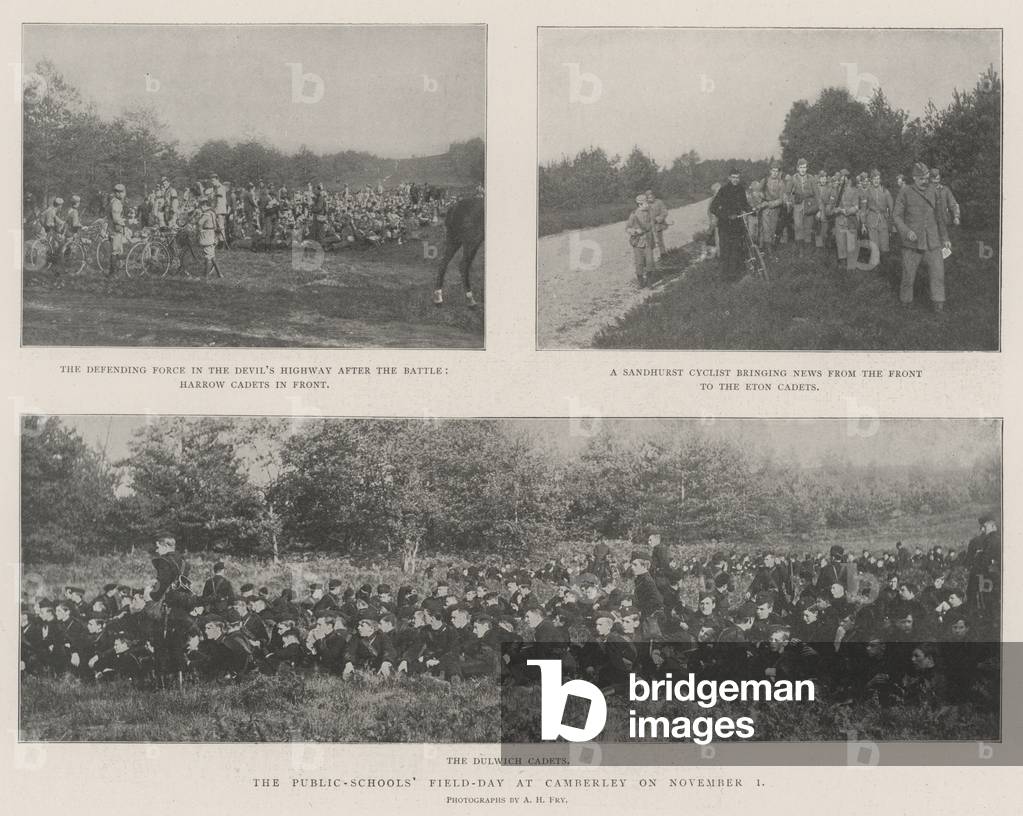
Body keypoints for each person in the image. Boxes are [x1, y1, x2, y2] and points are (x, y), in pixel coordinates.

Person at [892, 161, 951, 311]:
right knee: (908, 275)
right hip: (912, 243)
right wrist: (906, 231)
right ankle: (906, 302)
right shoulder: (905, 192)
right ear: (914, 178)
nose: (925, 181)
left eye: (927, 178)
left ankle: (938, 303)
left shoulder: (934, 191)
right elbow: (896, 216)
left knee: (938, 273)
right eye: (922, 179)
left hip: (932, 240)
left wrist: (945, 238)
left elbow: (940, 217)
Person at [708, 169, 753, 282]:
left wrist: (751, 209)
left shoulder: (741, 189)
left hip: (737, 225)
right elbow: (713, 208)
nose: (735, 180)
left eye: (737, 177)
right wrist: (727, 216)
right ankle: (724, 278)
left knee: (736, 251)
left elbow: (744, 204)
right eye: (733, 177)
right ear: (729, 177)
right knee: (725, 252)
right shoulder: (723, 190)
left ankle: (734, 276)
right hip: (725, 226)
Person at [785, 159, 818, 257]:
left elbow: (817, 194)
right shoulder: (793, 178)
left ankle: (807, 250)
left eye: (804, 167)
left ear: (807, 168)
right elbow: (787, 193)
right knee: (798, 227)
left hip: (809, 204)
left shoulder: (811, 178)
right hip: (798, 205)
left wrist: (818, 208)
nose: (803, 170)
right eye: (801, 167)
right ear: (797, 168)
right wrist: (789, 201)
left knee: (808, 227)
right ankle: (800, 250)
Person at [625, 194, 656, 287]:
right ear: (640, 204)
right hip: (638, 243)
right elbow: (627, 228)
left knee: (650, 262)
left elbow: (653, 225)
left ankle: (649, 283)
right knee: (639, 263)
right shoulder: (633, 215)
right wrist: (635, 231)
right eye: (646, 203)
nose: (648, 204)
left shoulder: (650, 212)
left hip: (648, 241)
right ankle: (641, 283)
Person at [196, 196, 223, 279]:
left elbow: (200, 223)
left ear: (203, 204)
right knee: (212, 256)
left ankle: (206, 276)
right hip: (213, 234)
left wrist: (199, 231)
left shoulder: (206, 214)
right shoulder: (212, 212)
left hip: (207, 235)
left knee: (207, 256)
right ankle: (220, 274)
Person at [107, 183, 127, 276]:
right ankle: (113, 273)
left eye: (122, 192)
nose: (122, 194)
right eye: (120, 192)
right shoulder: (116, 203)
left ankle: (116, 270)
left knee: (117, 250)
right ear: (117, 193)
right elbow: (115, 218)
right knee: (115, 251)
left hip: (114, 229)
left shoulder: (114, 201)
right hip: (115, 229)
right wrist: (123, 222)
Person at [645, 189, 669, 259]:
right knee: (649, 241)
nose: (650, 199)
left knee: (660, 239)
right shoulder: (645, 205)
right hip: (649, 225)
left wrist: (659, 218)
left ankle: (663, 253)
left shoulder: (659, 202)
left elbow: (664, 211)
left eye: (651, 197)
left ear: (654, 196)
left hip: (658, 224)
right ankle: (649, 257)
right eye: (648, 197)